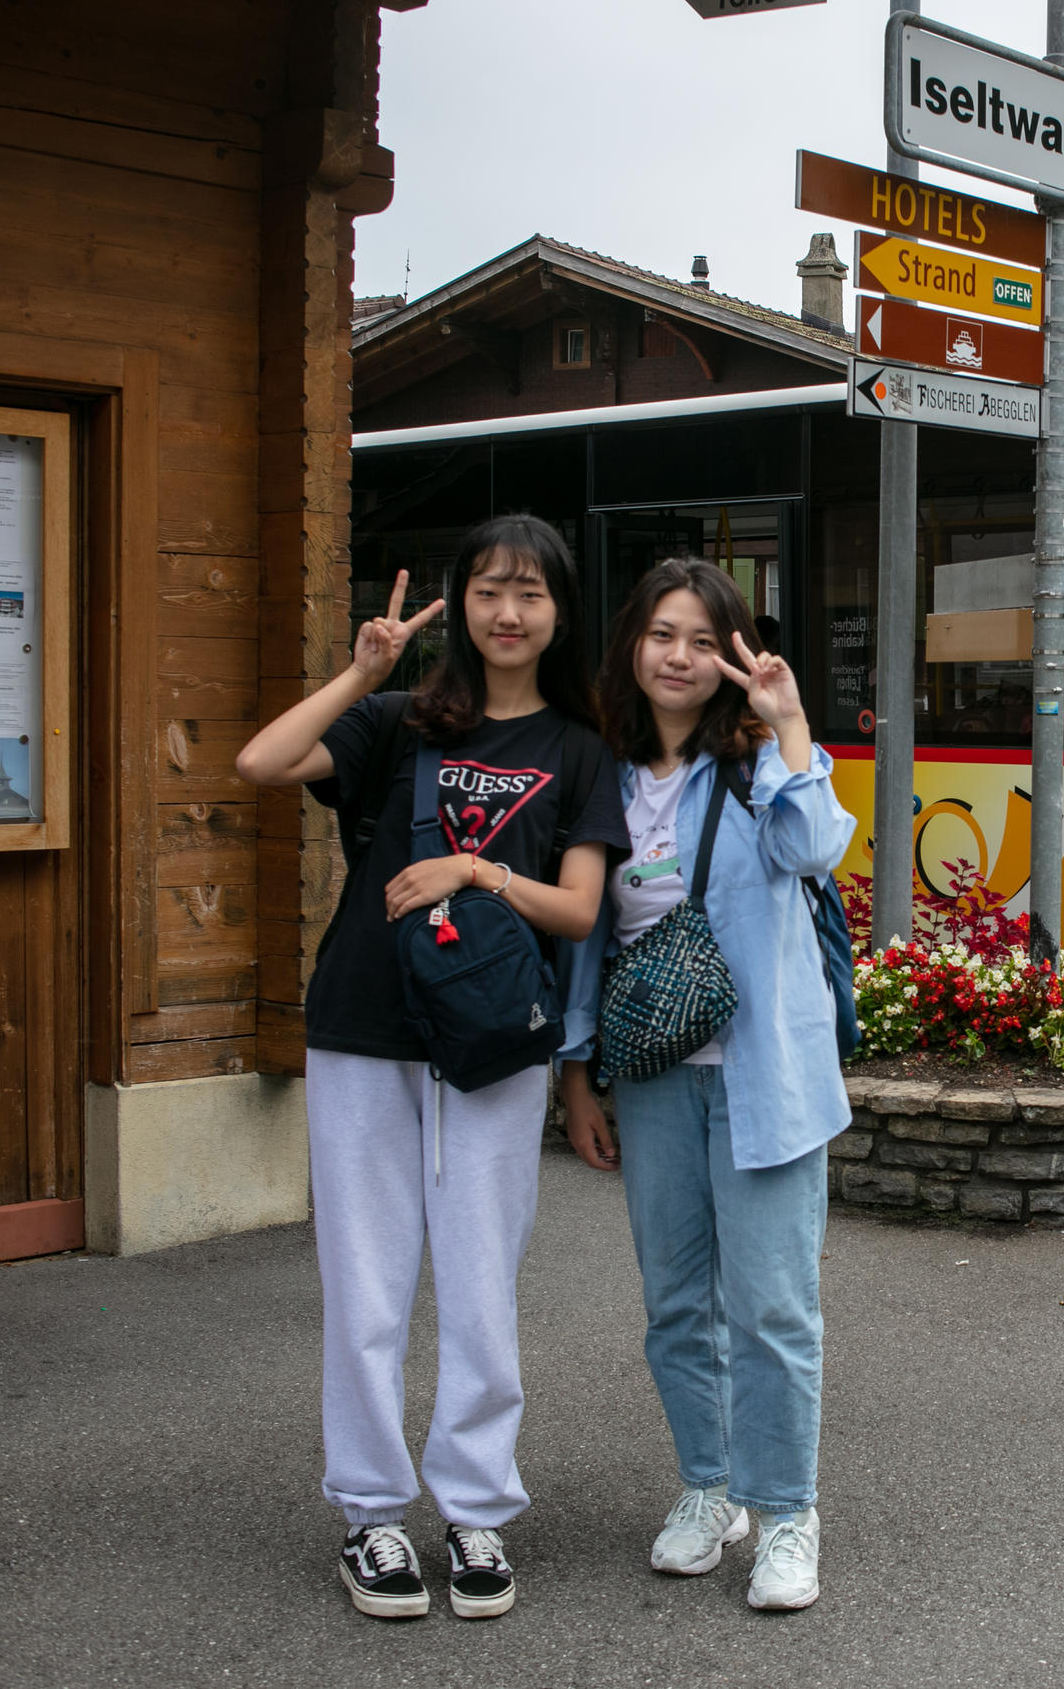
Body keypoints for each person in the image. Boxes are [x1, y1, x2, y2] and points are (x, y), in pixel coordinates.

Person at [235, 515, 617, 1622]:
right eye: (490, 589)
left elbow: (581, 908)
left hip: (493, 1041)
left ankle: (477, 1506)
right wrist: (362, 671)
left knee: (482, 1282)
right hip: (363, 1024)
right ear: (463, 601)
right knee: (366, 1281)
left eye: (531, 593)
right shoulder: (397, 722)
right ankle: (370, 1514)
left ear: (558, 611)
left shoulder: (576, 747)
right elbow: (260, 761)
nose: (509, 611)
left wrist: (473, 869)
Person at [556, 558, 855, 1612]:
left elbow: (819, 848)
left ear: (729, 653)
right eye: (660, 634)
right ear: (631, 645)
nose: (677, 656)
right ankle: (708, 1487)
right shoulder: (603, 772)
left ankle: (786, 1512)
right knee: (677, 1302)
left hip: (764, 1076)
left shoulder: (752, 766)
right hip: (651, 1077)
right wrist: (579, 1076)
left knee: (773, 1306)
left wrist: (789, 724)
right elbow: (589, 937)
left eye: (699, 638)